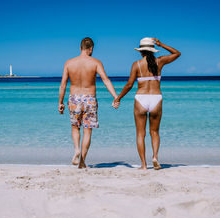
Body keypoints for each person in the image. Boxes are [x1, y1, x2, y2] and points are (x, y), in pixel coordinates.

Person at [114, 37, 181, 170]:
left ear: (141, 51)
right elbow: (177, 54)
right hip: (156, 98)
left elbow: (129, 85)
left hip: (141, 98)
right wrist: (162, 44)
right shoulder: (160, 61)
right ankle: (155, 157)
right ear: (152, 50)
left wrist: (118, 98)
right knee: (154, 132)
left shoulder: (136, 64)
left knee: (140, 134)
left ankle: (144, 165)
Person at [59, 37, 119, 168]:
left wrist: (60, 102)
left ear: (80, 48)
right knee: (87, 130)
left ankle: (76, 150)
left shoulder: (69, 63)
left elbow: (63, 84)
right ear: (91, 48)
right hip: (90, 98)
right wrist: (115, 96)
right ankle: (82, 161)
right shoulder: (95, 62)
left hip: (74, 98)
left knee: (75, 127)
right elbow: (106, 80)